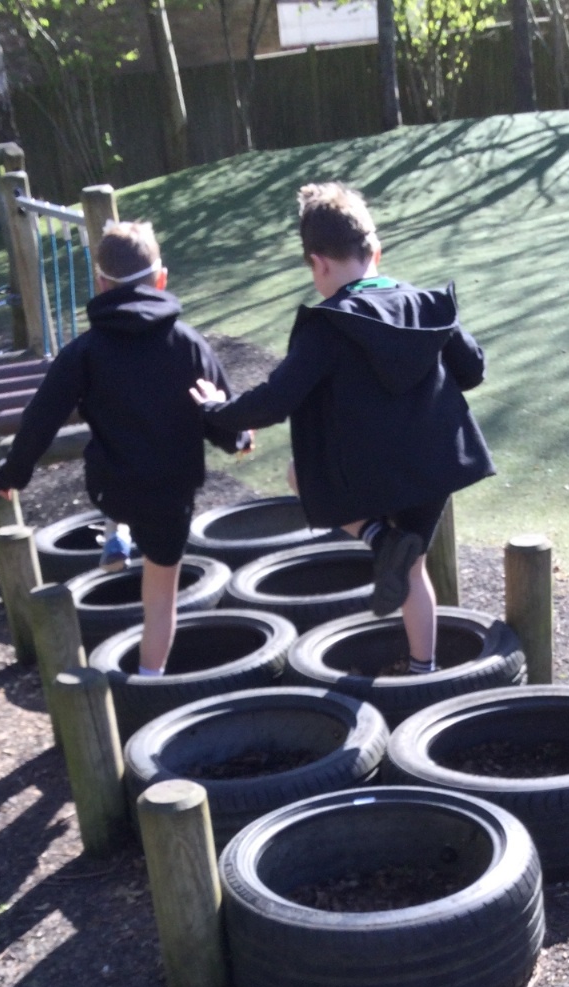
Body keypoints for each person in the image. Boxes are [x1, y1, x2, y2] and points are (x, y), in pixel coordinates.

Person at [192, 182, 494, 675]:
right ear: (376, 251)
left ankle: (376, 536)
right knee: (411, 566)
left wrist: (216, 409)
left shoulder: (329, 325)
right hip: (435, 464)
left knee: (299, 474)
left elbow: (275, 400)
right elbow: (473, 369)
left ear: (318, 264)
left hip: (369, 470)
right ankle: (424, 671)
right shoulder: (426, 305)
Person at [0, 221, 251, 675]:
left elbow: (40, 418)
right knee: (161, 598)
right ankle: (150, 678)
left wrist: (12, 475)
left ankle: (118, 531)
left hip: (110, 488)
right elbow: (218, 410)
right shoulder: (188, 344)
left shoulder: (85, 351)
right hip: (170, 495)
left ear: (100, 283)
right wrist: (240, 439)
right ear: (162, 279)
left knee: (120, 484)